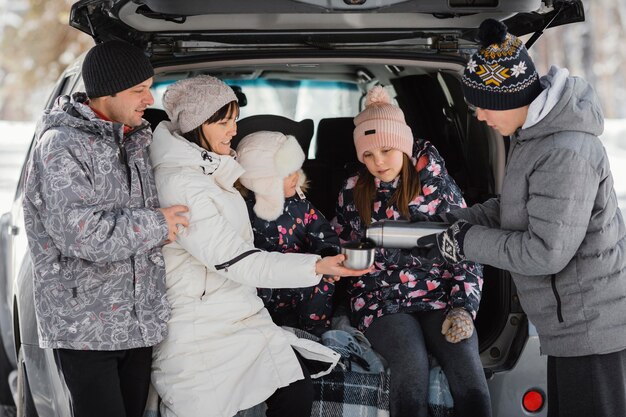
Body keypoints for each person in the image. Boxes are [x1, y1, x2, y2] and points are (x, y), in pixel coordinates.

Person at [418, 18, 626, 417]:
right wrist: (455, 220)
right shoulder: (535, 137)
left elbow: (545, 252)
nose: (478, 116)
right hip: (569, 326)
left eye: (480, 105)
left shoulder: (564, 152)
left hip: (590, 329)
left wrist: (462, 243)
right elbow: (515, 206)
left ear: (504, 99)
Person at [148, 75, 371, 417]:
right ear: (196, 126)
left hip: (238, 315)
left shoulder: (210, 170)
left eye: (234, 120)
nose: (233, 131)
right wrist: (315, 267)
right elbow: (236, 261)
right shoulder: (181, 183)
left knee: (294, 390)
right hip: (200, 330)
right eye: (223, 122)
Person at [22, 40, 189, 417]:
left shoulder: (135, 138)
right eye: (138, 90)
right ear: (105, 92)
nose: (149, 98)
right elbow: (83, 235)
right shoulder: (61, 146)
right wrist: (158, 223)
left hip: (139, 326)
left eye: (149, 86)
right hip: (86, 331)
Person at [331, 85, 491, 417]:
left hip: (439, 296)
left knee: (465, 363)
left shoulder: (437, 187)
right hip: (381, 298)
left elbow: (467, 248)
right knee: (410, 361)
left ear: (404, 146)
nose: (378, 162)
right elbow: (339, 245)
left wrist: (463, 308)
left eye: (386, 151)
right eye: (368, 155)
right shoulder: (352, 191)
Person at [236, 130, 341, 336]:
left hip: (302, 277)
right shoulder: (244, 211)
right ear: (263, 180)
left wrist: (328, 254)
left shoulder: (301, 206)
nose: (295, 176)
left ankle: (314, 331)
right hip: (266, 285)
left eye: (296, 169)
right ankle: (265, 330)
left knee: (322, 279)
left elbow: (323, 232)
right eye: (286, 173)